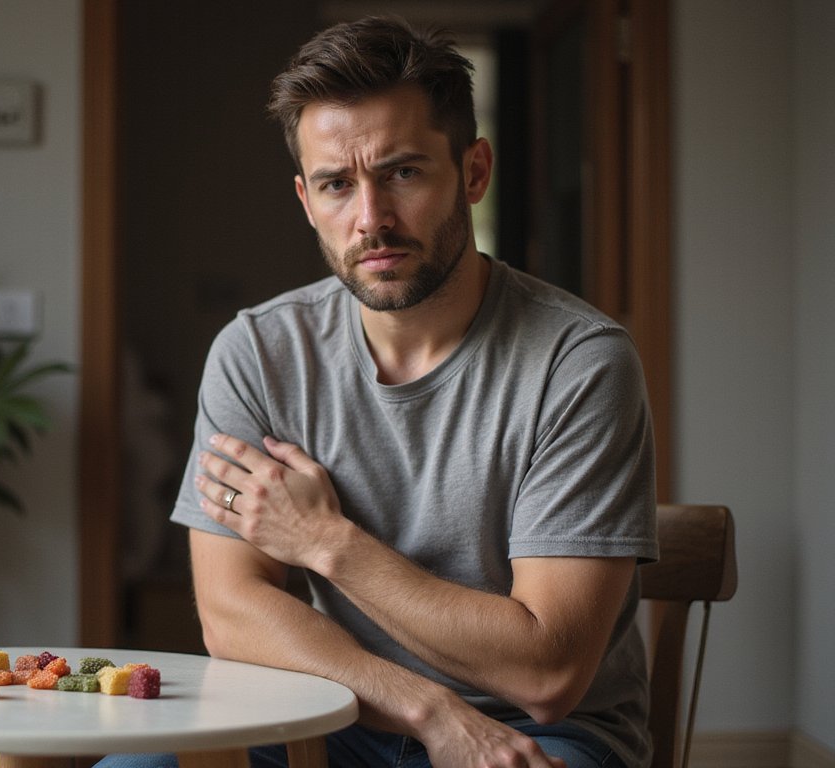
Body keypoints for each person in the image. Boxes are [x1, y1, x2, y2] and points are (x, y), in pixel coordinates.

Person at [96, 15, 657, 768]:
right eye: (336, 184)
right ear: (306, 199)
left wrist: (327, 542)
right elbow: (232, 615)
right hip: (328, 713)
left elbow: (547, 673)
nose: (372, 219)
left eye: (403, 172)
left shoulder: (579, 363)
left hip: (539, 737)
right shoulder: (258, 353)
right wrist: (430, 712)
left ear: (475, 171)